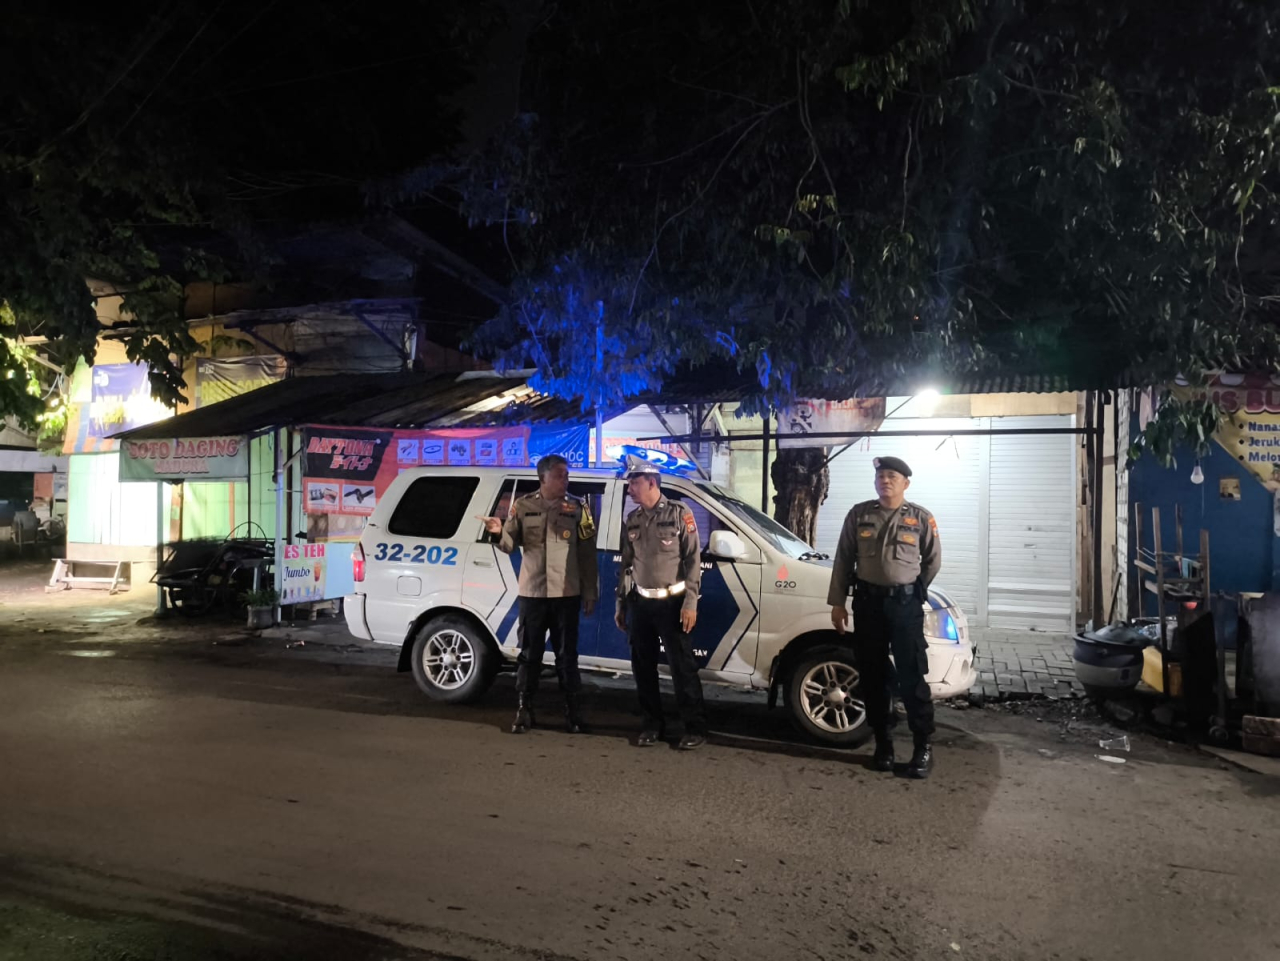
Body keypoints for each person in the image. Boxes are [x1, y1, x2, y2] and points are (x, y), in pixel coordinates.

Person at [828, 456, 941, 778]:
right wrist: (838, 603)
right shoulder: (860, 514)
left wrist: (912, 590)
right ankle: (883, 744)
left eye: (892, 476)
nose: (885, 481)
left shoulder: (920, 518)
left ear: (906, 483)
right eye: (880, 476)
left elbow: (932, 560)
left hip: (904, 608)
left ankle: (922, 747)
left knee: (911, 676)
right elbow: (843, 559)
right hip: (868, 605)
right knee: (873, 676)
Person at [480, 454, 598, 734]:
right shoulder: (523, 506)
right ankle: (524, 709)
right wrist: (497, 532)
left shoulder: (578, 508)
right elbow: (509, 544)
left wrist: (590, 591)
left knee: (567, 656)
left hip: (566, 594)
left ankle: (572, 712)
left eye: (566, 475)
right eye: (559, 475)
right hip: (533, 593)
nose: (565, 480)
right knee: (529, 655)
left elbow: (587, 553)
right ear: (542, 478)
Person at [615, 457, 708, 750]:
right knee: (643, 667)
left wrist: (690, 602)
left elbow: (693, 560)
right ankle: (652, 725)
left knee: (682, 668)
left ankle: (694, 728)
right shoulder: (633, 519)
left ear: (652, 482)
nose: (630, 488)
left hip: (673, 603)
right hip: (641, 603)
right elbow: (626, 565)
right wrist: (621, 604)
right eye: (629, 483)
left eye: (634, 482)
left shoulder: (679, 513)